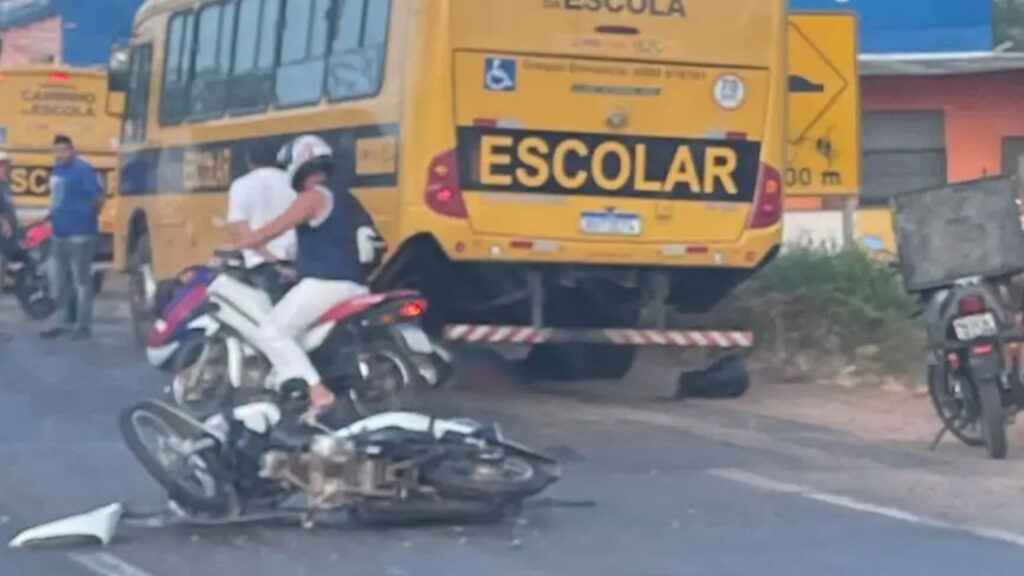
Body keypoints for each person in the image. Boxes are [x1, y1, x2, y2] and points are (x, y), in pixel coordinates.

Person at [229, 135, 384, 417]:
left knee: (271, 332)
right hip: (354, 284)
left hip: (326, 284)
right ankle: (300, 388)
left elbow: (276, 227)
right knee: (299, 336)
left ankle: (318, 392)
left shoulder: (312, 197)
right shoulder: (344, 196)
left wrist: (243, 242)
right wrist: (291, 269)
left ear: (296, 164)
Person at [40, 135, 104, 340]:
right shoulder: (58, 169)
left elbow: (98, 197)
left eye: (63, 150)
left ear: (72, 150)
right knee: (59, 281)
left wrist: (87, 217)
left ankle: (83, 326)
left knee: (81, 281)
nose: (60, 154)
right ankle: (62, 323)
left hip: (81, 235)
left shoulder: (83, 169)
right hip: (59, 234)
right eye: (56, 151)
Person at [225, 142, 297, 299]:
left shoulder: (240, 185)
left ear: (249, 161)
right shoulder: (293, 182)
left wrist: (274, 262)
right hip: (296, 263)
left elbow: (244, 234)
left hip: (261, 265)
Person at [0, 151, 18, 275]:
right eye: (4, 165)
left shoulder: (5, 184)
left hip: (5, 238)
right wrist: (3, 221)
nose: (7, 168)